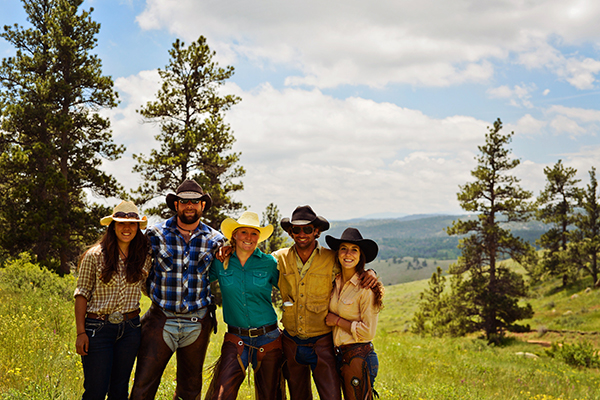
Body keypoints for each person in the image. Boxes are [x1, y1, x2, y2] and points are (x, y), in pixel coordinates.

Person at [130, 179, 225, 400]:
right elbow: (141, 272)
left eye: (194, 202)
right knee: (143, 384)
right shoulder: (156, 234)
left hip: (197, 321)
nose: (189, 206)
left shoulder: (216, 240)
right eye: (184, 202)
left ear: (202, 205)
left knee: (190, 390)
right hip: (161, 318)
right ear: (176, 205)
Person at [274, 205, 378, 400]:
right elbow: (255, 263)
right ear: (290, 232)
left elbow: (354, 266)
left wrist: (370, 273)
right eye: (297, 229)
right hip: (291, 342)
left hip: (322, 343)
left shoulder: (332, 258)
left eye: (307, 229)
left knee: (331, 396)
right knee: (298, 396)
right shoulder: (279, 259)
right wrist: (230, 249)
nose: (302, 234)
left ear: (316, 231)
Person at [74, 200, 151, 400]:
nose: (127, 228)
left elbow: (147, 287)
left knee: (119, 390)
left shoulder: (143, 255)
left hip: (130, 328)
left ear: (137, 227)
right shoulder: (94, 255)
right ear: (113, 226)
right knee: (96, 390)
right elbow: (82, 293)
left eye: (132, 224)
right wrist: (81, 332)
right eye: (121, 223)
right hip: (98, 328)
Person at [205, 211, 284, 400]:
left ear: (258, 237)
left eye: (254, 233)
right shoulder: (220, 262)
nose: (249, 238)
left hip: (269, 336)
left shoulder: (269, 263)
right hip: (235, 337)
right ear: (234, 235)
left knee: (270, 395)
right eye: (243, 233)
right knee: (222, 394)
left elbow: (292, 289)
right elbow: (199, 280)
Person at [325, 228, 384, 400]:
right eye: (343, 248)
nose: (348, 254)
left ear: (360, 256)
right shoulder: (334, 281)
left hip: (359, 357)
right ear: (337, 253)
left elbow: (368, 332)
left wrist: (336, 321)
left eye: (354, 250)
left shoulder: (366, 288)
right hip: (339, 356)